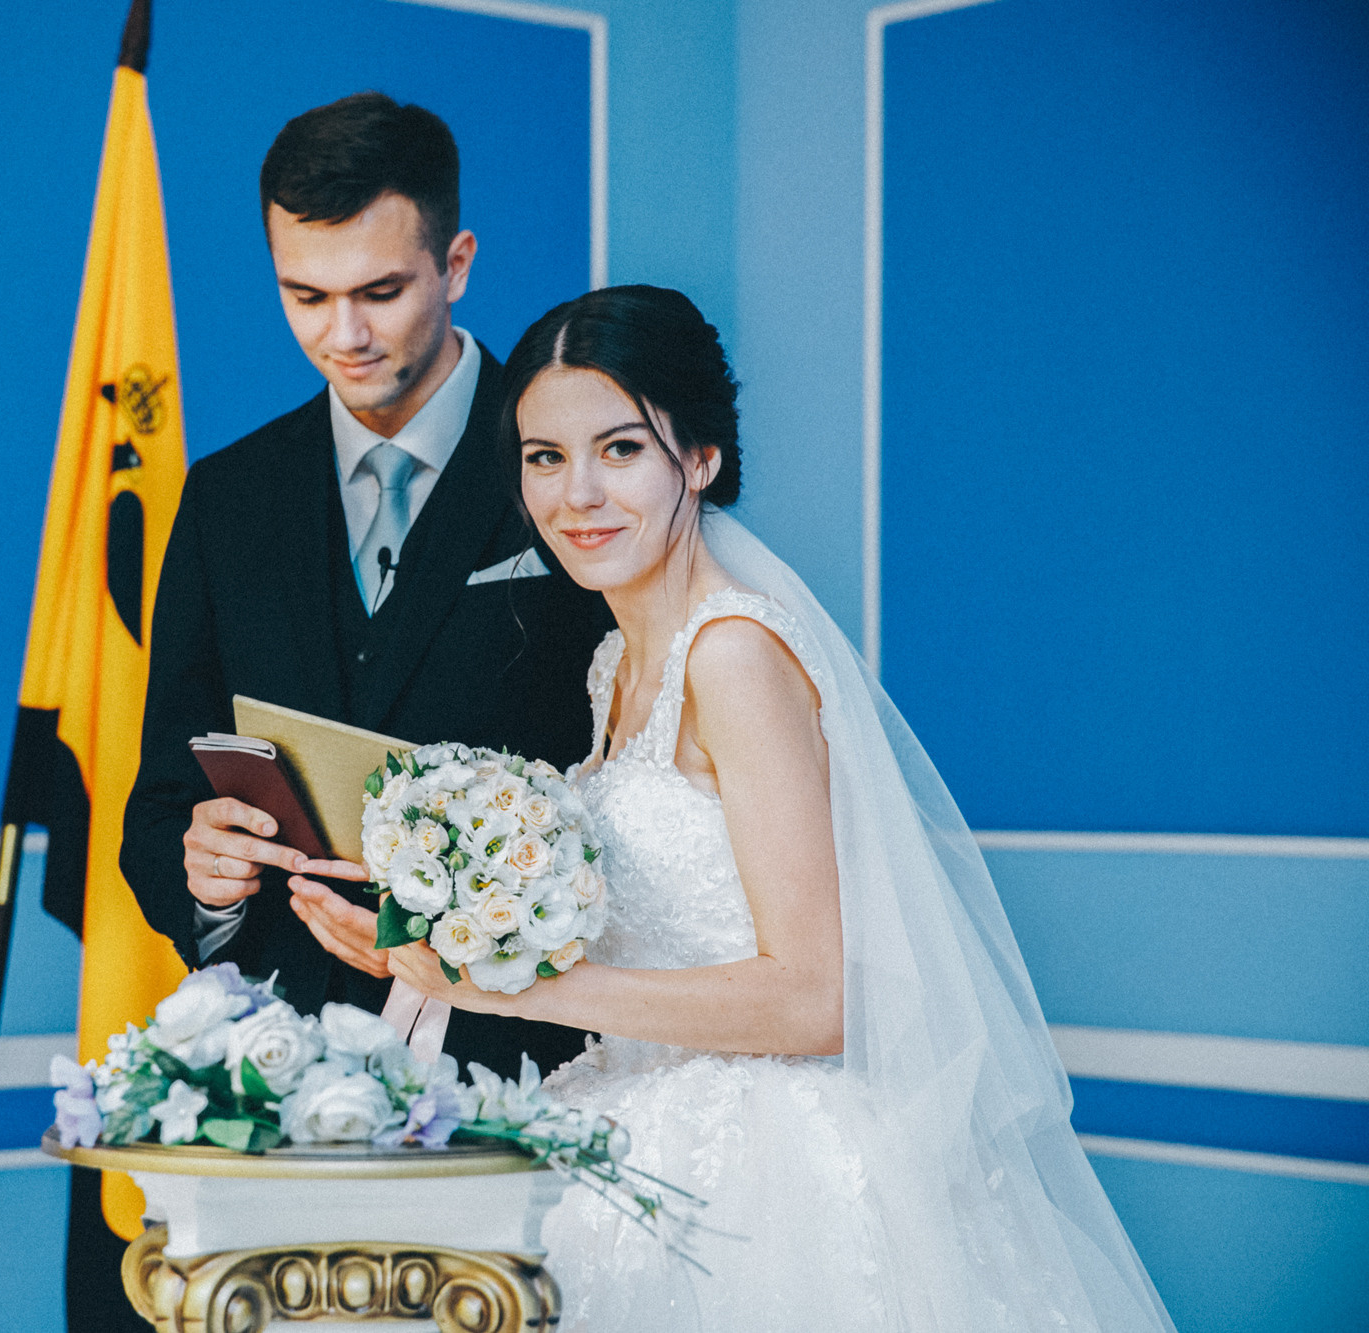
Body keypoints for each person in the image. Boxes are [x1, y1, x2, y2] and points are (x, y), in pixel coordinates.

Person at [386, 286, 1177, 1331]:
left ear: (699, 458)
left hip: (761, 1174)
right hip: (628, 1122)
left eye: (619, 449)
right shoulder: (616, 663)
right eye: (543, 457)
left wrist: (529, 990)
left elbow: (810, 1000)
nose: (576, 492)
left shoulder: (732, 656)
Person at [121, 93, 609, 1079]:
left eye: (379, 292)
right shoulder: (225, 496)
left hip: (525, 1069)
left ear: (456, 264)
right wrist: (207, 877)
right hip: (280, 1063)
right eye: (305, 296)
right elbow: (161, 799)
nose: (343, 334)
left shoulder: (574, 468)